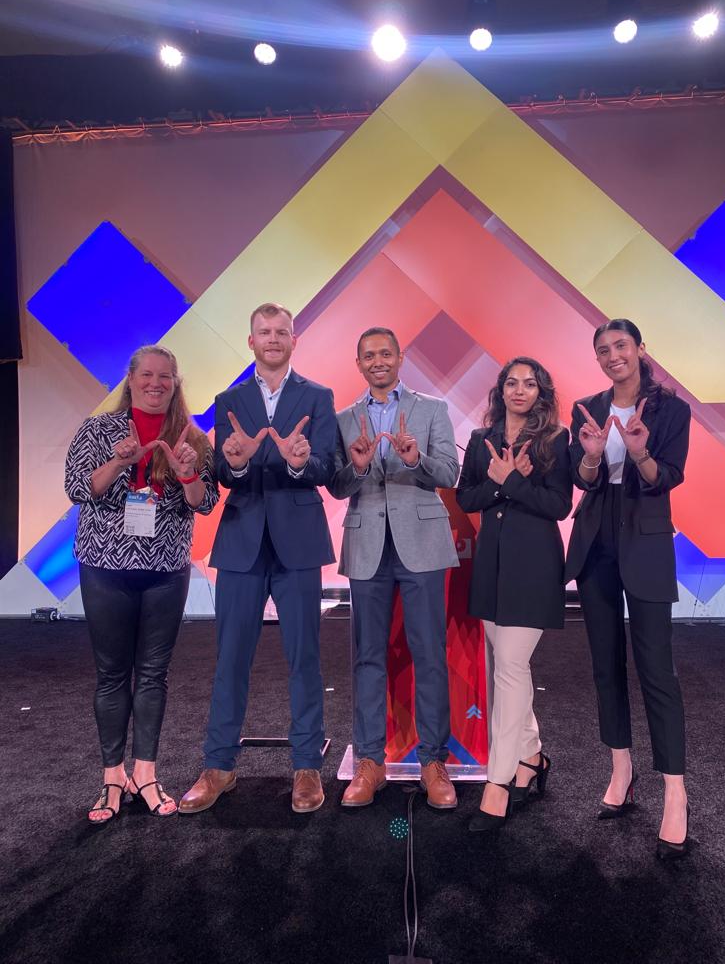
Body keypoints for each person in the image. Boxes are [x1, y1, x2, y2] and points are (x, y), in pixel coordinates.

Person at [179, 303, 336, 815]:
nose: (272, 339)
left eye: (281, 332)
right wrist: (238, 465)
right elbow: (226, 474)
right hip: (243, 540)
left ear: (294, 340)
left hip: (298, 544)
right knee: (230, 659)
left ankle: (307, 766)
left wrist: (298, 465)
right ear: (250, 342)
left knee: (304, 658)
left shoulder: (318, 396)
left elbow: (328, 466)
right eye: (264, 333)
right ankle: (219, 765)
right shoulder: (230, 399)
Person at [65, 345, 219, 823]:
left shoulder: (191, 436)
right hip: (105, 567)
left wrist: (187, 470)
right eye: (147, 375)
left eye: (166, 377)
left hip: (165, 570)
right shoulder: (97, 429)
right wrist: (117, 462)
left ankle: (146, 773)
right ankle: (113, 778)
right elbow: (77, 488)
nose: (156, 384)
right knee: (112, 675)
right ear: (130, 379)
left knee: (153, 674)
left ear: (176, 383)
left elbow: (204, 502)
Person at [565, 318, 691, 861]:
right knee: (605, 664)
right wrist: (591, 454)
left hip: (645, 534)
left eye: (621, 346)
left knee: (656, 669)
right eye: (603, 350)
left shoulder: (670, 409)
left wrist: (638, 451)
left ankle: (675, 792)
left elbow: (668, 475)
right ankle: (622, 769)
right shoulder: (586, 408)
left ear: (640, 349)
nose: (613, 356)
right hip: (596, 537)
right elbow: (583, 480)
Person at [329, 327, 460, 810]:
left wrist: (416, 458)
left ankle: (433, 761)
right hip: (367, 546)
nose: (378, 361)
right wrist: (360, 466)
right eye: (369, 355)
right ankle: (369, 760)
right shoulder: (344, 418)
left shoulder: (432, 409)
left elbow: (450, 473)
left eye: (386, 352)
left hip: (422, 543)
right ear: (359, 363)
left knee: (429, 654)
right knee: (367, 656)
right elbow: (337, 485)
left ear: (400, 357)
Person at [457, 358, 571, 831]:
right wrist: (500, 486)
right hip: (491, 567)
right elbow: (467, 498)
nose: (519, 390)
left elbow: (558, 505)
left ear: (541, 391)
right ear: (500, 390)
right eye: (511, 382)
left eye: (529, 383)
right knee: (505, 666)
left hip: (533, 567)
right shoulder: (483, 440)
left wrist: (513, 482)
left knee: (509, 668)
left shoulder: (555, 440)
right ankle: (532, 757)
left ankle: (498, 781)